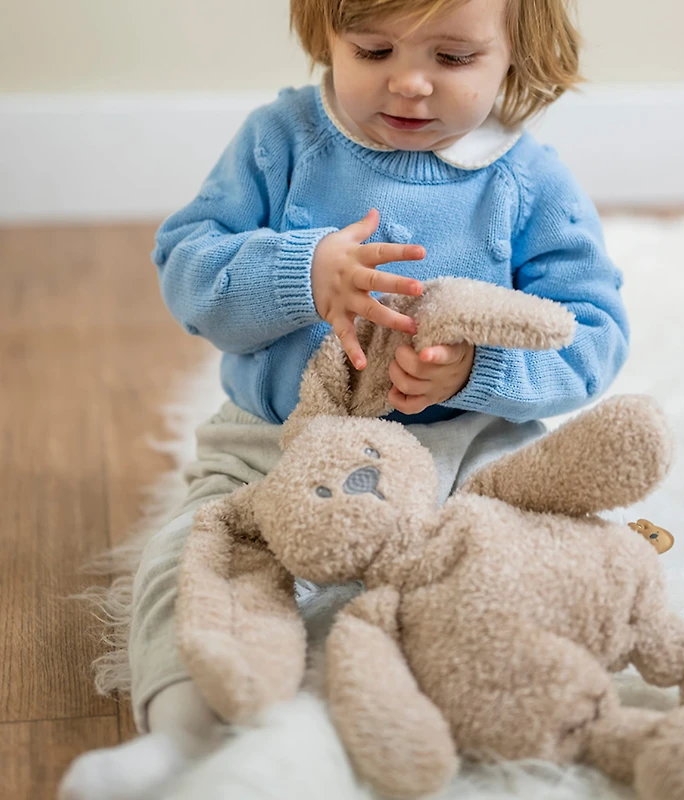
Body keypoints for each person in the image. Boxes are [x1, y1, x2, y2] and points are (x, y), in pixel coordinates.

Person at [59, 0, 629, 797]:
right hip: (277, 436)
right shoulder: (282, 140)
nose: (408, 83)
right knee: (199, 558)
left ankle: (437, 708)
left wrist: (477, 373)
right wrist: (301, 271)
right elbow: (188, 268)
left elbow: (592, 336)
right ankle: (189, 734)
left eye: (454, 58)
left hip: (461, 446)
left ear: (517, 56)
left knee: (505, 564)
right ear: (327, 35)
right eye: (372, 48)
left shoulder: (528, 181)